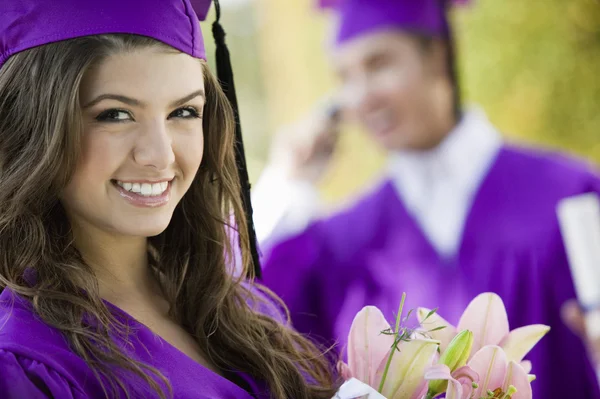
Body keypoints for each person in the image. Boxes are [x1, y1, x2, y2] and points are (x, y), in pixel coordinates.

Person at [255, 0, 600, 398]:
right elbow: (254, 322)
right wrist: (288, 184)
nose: (361, 97)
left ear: (437, 56)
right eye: (345, 77)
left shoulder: (569, 194)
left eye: (378, 64)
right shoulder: (340, 243)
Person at [0, 0, 339, 398]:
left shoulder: (238, 310)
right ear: (33, 128)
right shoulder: (28, 361)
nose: (161, 155)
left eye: (183, 111)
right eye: (115, 115)